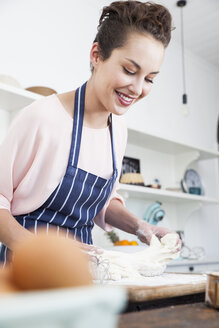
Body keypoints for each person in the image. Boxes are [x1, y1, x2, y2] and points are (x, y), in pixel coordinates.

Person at [0, 0, 181, 266]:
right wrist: (40, 252)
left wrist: (142, 227)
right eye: (129, 70)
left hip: (83, 273)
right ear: (96, 55)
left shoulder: (117, 131)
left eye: (150, 78)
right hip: (25, 270)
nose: (138, 88)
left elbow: (103, 204)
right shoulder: (42, 117)